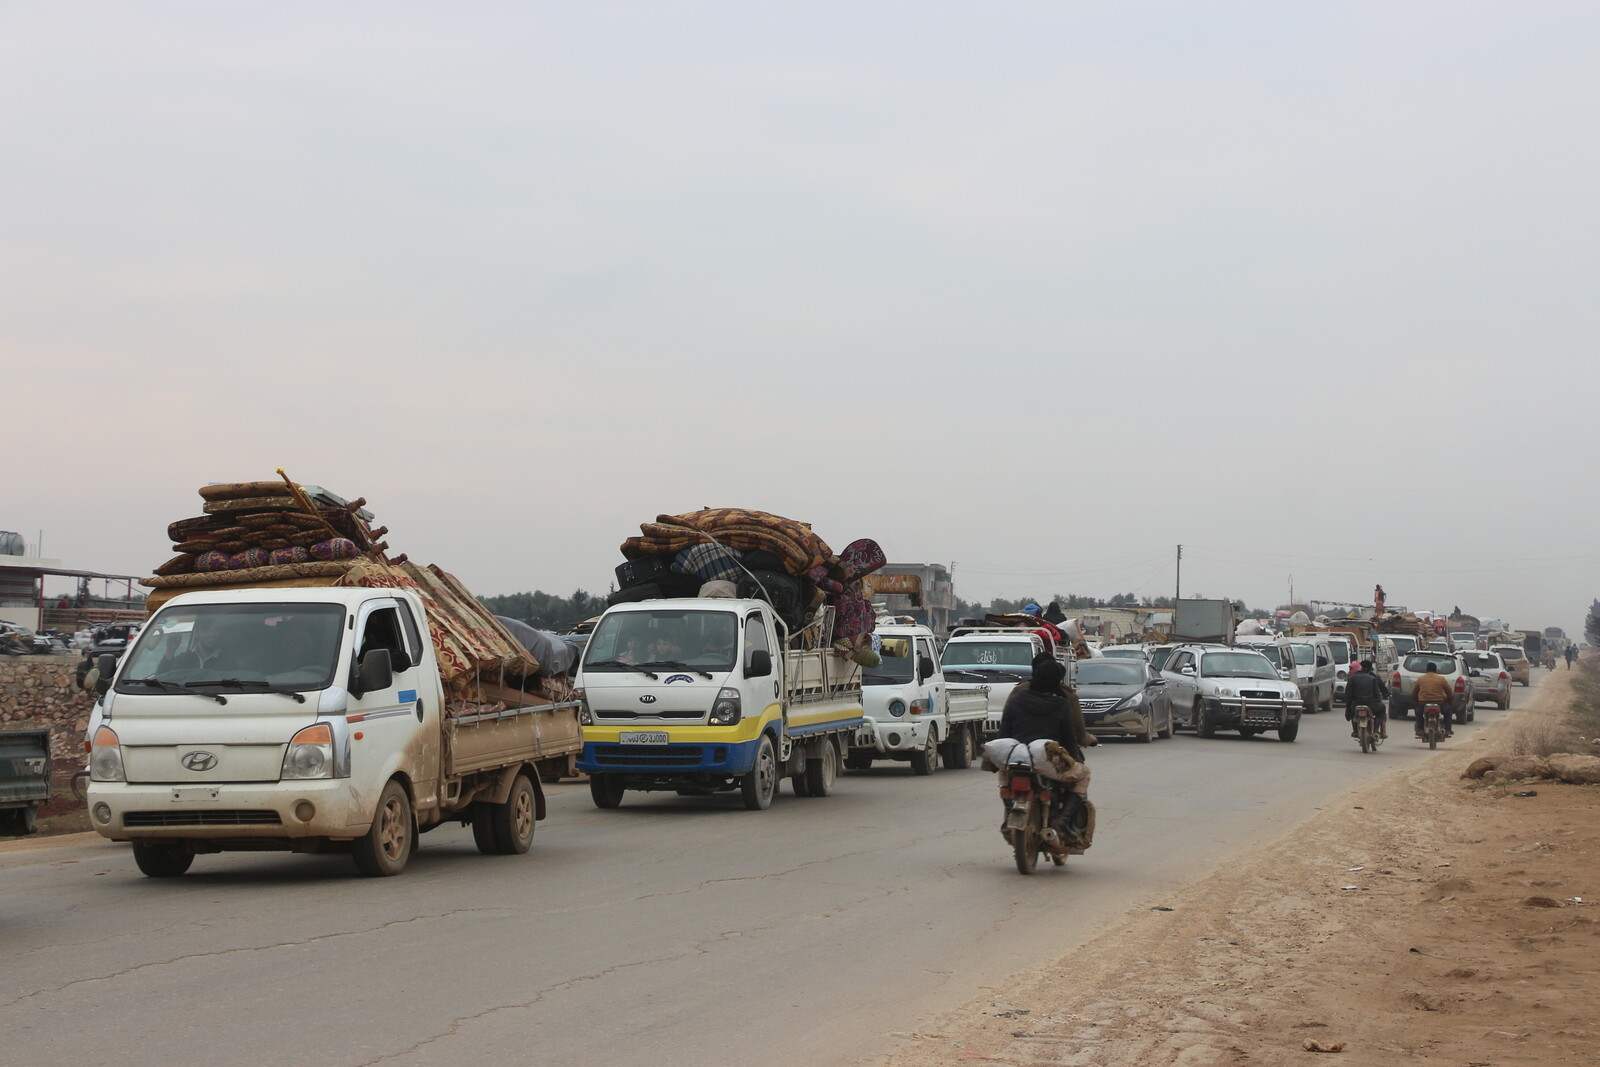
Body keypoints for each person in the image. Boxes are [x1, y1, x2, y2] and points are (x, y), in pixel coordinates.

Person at [1345, 658, 1390, 738]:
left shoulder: (1352, 678)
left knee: (1352, 712)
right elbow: (1377, 694)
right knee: (1382, 709)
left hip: (1356, 705)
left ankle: (1355, 731)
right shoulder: (1374, 678)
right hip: (1371, 705)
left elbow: (1348, 695)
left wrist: (1348, 709)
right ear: (1369, 669)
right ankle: (1376, 730)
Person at [1410, 662, 1455, 738]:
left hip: (1423, 703)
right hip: (1439, 703)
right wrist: (1449, 700)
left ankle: (1420, 729)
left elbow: (1414, 692)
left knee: (1418, 712)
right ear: (1435, 670)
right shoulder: (1441, 679)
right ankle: (1448, 729)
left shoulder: (1421, 678)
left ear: (1427, 670)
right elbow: (1449, 691)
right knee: (1448, 711)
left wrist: (1416, 700)